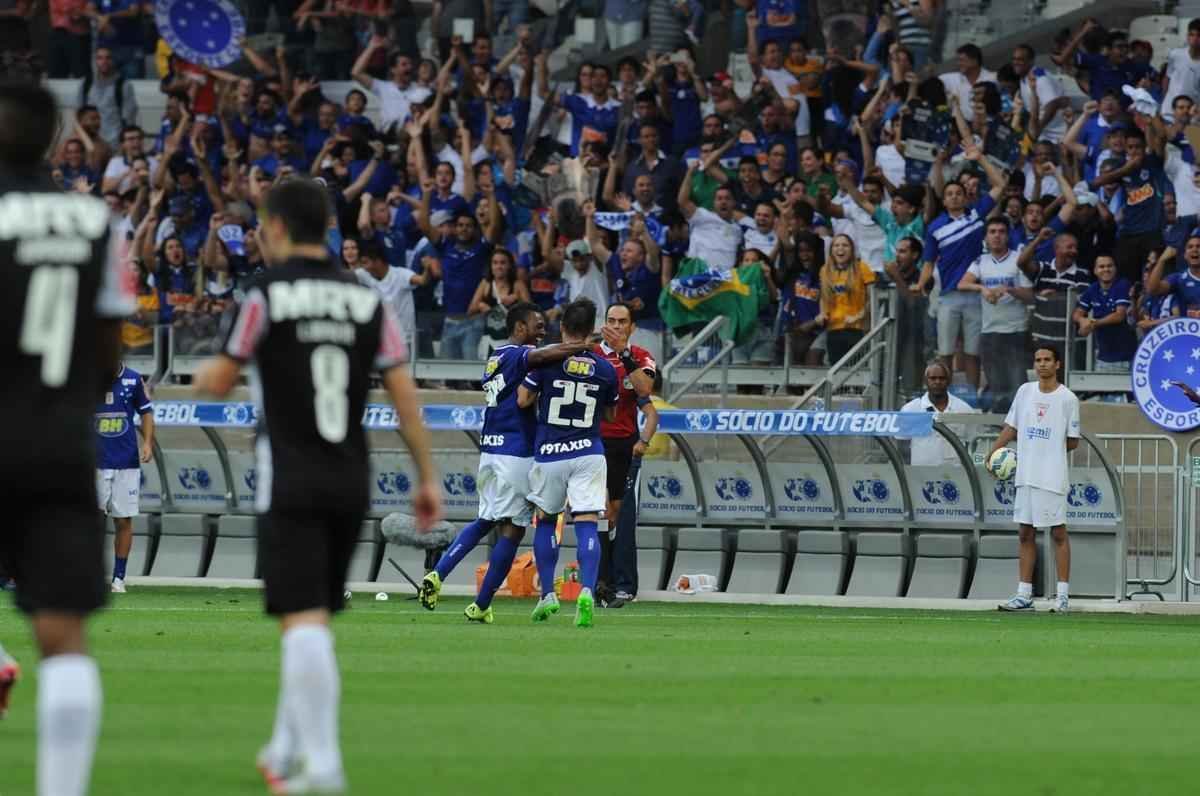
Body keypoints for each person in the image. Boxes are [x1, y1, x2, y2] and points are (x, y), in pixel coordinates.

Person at [193, 178, 442, 793]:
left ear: (276, 227)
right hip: (350, 477)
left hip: (291, 477)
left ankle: (325, 769)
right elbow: (405, 396)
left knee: (301, 621)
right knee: (311, 621)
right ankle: (282, 752)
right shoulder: (365, 300)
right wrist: (428, 476)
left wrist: (205, 371)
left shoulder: (264, 294)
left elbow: (219, 382)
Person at [0, 82, 135, 796]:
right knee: (64, 640)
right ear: (54, 141)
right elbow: (112, 346)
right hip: (58, 441)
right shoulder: (95, 222)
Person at [417, 303, 597, 621]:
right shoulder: (518, 353)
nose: (542, 330)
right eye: (536, 324)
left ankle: (438, 574)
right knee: (512, 531)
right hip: (516, 453)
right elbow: (539, 359)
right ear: (518, 328)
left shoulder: (495, 357)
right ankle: (481, 603)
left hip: (491, 449)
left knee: (485, 519)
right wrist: (582, 346)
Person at [519, 298, 620, 628]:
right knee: (588, 522)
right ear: (592, 329)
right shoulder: (605, 368)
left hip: (550, 453)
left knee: (546, 521)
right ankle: (587, 591)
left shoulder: (546, 362)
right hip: (589, 451)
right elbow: (610, 413)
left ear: (563, 328)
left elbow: (523, 398)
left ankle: (547, 594)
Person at [990, 345, 1081, 613]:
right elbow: (1012, 426)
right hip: (1026, 475)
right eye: (1038, 360)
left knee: (1058, 532)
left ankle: (1063, 596)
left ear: (1057, 364)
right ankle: (1024, 594)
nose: (1042, 364)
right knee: (1025, 532)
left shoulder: (1068, 399)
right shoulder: (1025, 391)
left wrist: (1046, 450)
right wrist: (994, 450)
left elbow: (1073, 441)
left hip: (1052, 475)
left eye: (1047, 360)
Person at [595, 302, 660, 607]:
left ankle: (624, 584)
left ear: (632, 327)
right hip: (591, 445)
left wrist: (623, 354)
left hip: (624, 445)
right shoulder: (591, 353)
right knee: (594, 516)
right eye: (611, 320)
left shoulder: (640, 356)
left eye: (622, 322)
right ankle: (598, 583)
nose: (617, 326)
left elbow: (645, 389)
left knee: (622, 519)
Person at [959, 218, 1034, 412]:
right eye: (992, 231)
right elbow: (962, 283)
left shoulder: (1019, 259)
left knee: (1018, 384)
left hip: (1016, 331)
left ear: (1007, 236)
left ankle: (1021, 427)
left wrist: (1009, 289)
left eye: (1001, 231)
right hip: (990, 331)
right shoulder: (980, 261)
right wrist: (982, 288)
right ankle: (998, 428)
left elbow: (1031, 296)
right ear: (986, 237)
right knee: (996, 384)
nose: (997, 235)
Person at [94, 362, 155, 593]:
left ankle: (119, 578)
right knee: (93, 521)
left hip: (126, 461)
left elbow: (146, 411)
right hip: (95, 462)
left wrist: (148, 443)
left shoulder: (133, 379)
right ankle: (90, 575)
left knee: (124, 520)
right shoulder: (87, 375)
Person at [899, 362, 976, 466]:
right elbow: (903, 444)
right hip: (920, 476)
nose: (937, 382)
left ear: (949, 381)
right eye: (933, 378)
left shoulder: (964, 409)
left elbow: (972, 443)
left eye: (942, 378)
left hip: (956, 476)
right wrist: (909, 472)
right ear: (925, 381)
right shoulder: (910, 410)